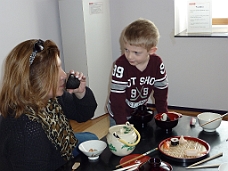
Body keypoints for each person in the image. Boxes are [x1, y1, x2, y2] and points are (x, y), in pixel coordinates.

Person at [0, 39, 98, 171]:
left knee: (91, 138)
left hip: (52, 149)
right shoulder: (28, 131)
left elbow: (84, 114)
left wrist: (80, 93)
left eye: (60, 67)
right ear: (33, 78)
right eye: (55, 70)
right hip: (43, 157)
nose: (64, 75)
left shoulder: (49, 98)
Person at [107, 18, 169, 125]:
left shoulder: (157, 63)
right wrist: (122, 124)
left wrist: (163, 114)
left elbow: (161, 92)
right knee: (120, 140)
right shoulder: (121, 65)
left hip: (139, 112)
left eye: (136, 52)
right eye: (126, 49)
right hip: (119, 115)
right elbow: (117, 99)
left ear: (151, 51)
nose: (129, 56)